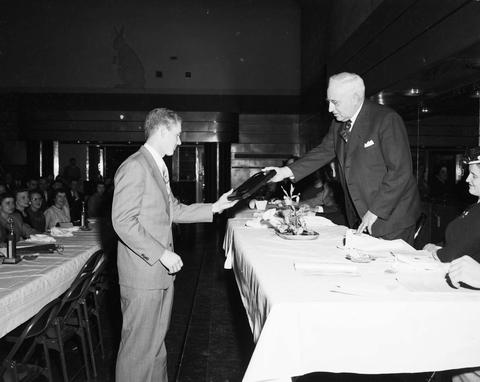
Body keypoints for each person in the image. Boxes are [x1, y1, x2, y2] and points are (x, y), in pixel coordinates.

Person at [112, 108, 237, 382]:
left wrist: (215, 207)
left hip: (158, 274)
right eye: (178, 135)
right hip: (144, 274)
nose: (180, 142)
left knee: (155, 348)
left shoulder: (157, 166)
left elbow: (173, 210)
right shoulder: (135, 166)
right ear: (161, 130)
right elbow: (122, 221)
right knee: (138, 351)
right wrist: (161, 254)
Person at [265, 72, 420, 245]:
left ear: (355, 98)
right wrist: (285, 171)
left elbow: (400, 172)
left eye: (335, 102)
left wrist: (375, 211)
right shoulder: (338, 124)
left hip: (391, 217)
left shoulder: (385, 120)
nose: (330, 109)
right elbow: (323, 151)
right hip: (359, 215)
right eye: (329, 102)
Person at [423, 147, 480, 263]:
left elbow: (455, 254)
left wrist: (436, 253)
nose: (467, 179)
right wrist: (439, 247)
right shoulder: (474, 207)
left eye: (474, 175)